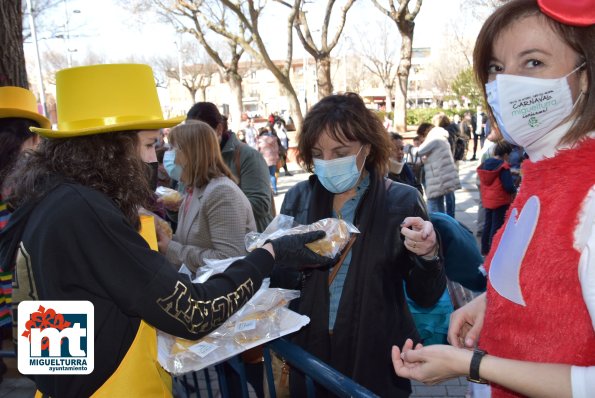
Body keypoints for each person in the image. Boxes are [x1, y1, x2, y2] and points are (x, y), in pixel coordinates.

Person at [0, 63, 333, 397]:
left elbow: (44, 352)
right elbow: (195, 313)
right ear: (107, 148)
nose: (154, 161)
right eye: (148, 145)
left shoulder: (50, 201)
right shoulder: (86, 212)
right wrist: (269, 254)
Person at [392, 1, 595, 397]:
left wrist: (470, 365)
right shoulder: (545, 171)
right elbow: (555, 285)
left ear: (584, 76)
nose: (507, 84)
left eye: (533, 62)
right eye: (496, 68)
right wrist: (491, 303)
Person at [279, 92, 446, 397]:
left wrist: (428, 255)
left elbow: (426, 295)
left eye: (340, 151)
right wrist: (277, 255)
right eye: (318, 153)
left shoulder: (402, 200)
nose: (327, 162)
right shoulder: (298, 198)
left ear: (366, 149)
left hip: (377, 356)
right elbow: (283, 284)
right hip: (309, 356)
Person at [156, 120, 256, 272]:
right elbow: (190, 242)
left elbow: (229, 258)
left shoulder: (221, 192)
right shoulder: (195, 189)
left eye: (173, 148)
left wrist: (170, 248)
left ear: (191, 153)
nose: (170, 156)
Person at [0, 86, 49, 382]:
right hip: (39, 298)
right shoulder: (41, 184)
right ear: (30, 137)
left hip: (18, 302)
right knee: (54, 380)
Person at [186, 102, 273, 232]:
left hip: (249, 243)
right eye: (191, 136)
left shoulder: (248, 156)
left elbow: (260, 204)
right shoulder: (193, 159)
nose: (194, 141)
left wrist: (209, 208)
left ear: (219, 129)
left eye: (201, 135)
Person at [477, 140, 516, 255]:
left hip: (488, 200)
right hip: (500, 201)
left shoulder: (486, 165)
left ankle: (485, 249)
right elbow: (508, 186)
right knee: (497, 226)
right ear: (505, 154)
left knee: (487, 224)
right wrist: (514, 190)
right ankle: (494, 250)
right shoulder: (503, 167)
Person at [418, 118, 461, 218]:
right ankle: (444, 226)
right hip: (442, 176)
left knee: (432, 204)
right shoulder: (440, 136)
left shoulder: (434, 138)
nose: (421, 138)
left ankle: (435, 226)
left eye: (421, 136)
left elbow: (420, 151)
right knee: (440, 205)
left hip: (438, 178)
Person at [257, 127, 280, 195]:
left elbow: (257, 149)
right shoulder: (274, 138)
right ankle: (275, 190)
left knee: (265, 176)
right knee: (272, 175)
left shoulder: (260, 140)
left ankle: (268, 191)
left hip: (264, 160)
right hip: (273, 159)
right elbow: (277, 149)